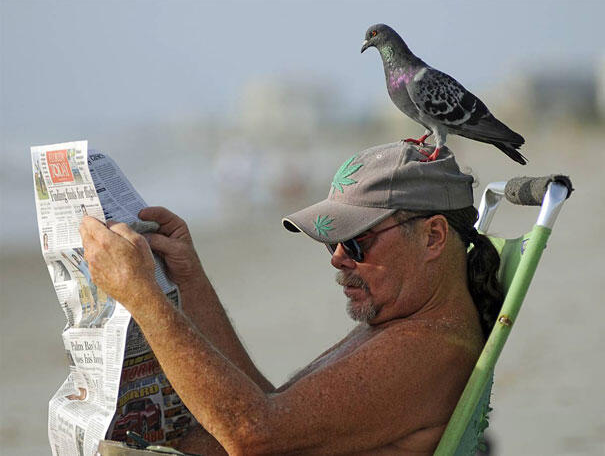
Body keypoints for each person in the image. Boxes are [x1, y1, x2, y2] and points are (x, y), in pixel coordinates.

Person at [79, 142, 503, 455]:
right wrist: (189, 279)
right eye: (332, 242)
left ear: (433, 237)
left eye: (357, 241)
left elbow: (253, 435)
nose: (338, 259)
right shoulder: (404, 325)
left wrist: (143, 297)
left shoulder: (428, 348)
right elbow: (271, 408)